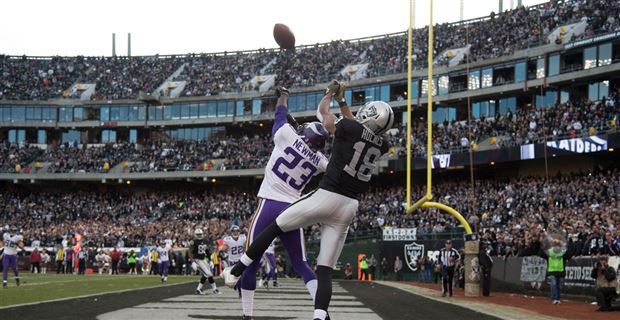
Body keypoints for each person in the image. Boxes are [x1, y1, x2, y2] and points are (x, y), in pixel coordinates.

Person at [224, 80, 394, 320]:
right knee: (321, 268)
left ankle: (237, 270)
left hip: (315, 198)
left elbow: (322, 114)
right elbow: (354, 134)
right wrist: (343, 103)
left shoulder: (292, 134)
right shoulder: (383, 145)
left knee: (274, 227)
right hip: (349, 207)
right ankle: (320, 315)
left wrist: (329, 95)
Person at [234, 87, 329, 320]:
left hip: (269, 204)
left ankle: (248, 315)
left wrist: (284, 94)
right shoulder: (319, 160)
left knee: (251, 260)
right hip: (292, 209)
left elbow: (279, 112)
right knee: (301, 264)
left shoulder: (287, 133)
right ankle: (320, 312)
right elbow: (330, 165)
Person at [524, 233, 575, 304]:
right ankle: (555, 298)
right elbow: (541, 253)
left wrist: (570, 243)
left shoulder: (558, 252)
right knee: (554, 284)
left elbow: (569, 254)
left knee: (557, 285)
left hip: (558, 270)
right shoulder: (551, 251)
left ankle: (556, 298)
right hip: (555, 270)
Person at [189, 228, 220, 295]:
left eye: (200, 234)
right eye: (198, 234)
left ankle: (214, 289)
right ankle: (198, 289)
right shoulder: (193, 242)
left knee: (210, 274)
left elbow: (206, 251)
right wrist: (193, 262)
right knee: (207, 274)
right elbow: (190, 252)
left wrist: (211, 260)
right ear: (195, 235)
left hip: (203, 259)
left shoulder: (205, 241)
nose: (199, 236)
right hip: (197, 260)